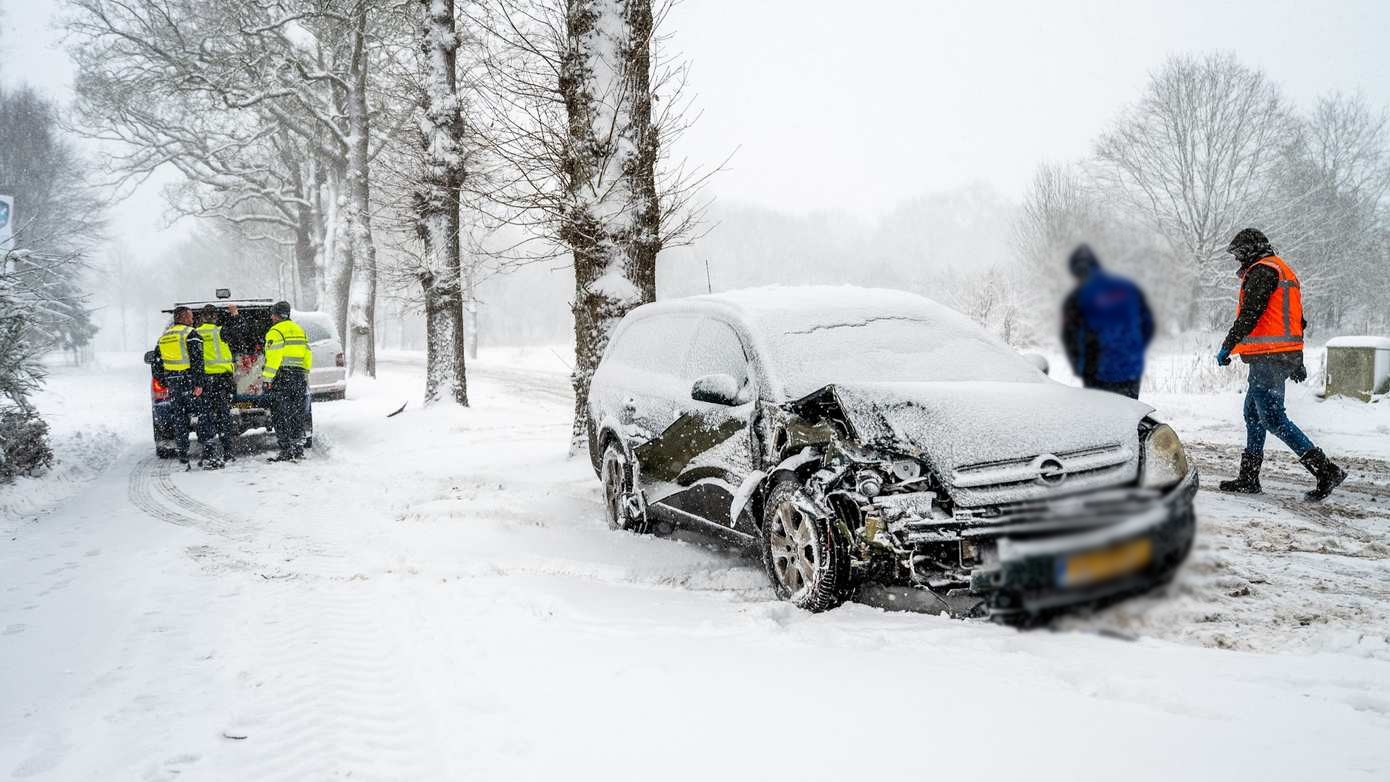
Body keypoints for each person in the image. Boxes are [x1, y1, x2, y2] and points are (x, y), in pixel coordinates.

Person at [1216, 228, 1346, 501]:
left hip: (1269, 359)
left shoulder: (1263, 271)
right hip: (1279, 356)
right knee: (1253, 413)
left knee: (1273, 418)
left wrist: (1227, 345)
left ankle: (1325, 470)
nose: (1238, 259)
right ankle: (1249, 477)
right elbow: (1296, 321)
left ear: (1250, 250)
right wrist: (1296, 359)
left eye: (1240, 253)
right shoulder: (1283, 269)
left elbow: (1251, 314)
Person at [1061, 244, 1155, 398]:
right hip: (1130, 369)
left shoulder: (1077, 297)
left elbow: (1070, 337)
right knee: (1128, 416)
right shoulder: (1129, 288)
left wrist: (1080, 367)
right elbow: (1148, 325)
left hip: (1097, 372)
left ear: (1074, 271)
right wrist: (1133, 349)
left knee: (1101, 418)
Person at [262, 301, 312, 462]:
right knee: (296, 413)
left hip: (282, 377)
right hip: (298, 376)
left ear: (277, 315)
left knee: (280, 414)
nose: (271, 317)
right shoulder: (299, 330)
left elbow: (274, 357)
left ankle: (285, 449)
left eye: (272, 314)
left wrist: (267, 378)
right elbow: (307, 354)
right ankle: (298, 447)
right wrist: (305, 374)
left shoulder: (275, 331)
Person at [154, 306, 205, 469]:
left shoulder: (164, 337)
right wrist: (199, 383)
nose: (192, 320)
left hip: (174, 384)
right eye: (190, 317)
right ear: (183, 317)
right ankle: (205, 452)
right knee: (200, 415)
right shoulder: (190, 334)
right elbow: (197, 361)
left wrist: (165, 380)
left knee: (180, 418)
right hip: (189, 381)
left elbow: (156, 364)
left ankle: (183, 454)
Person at [194, 305, 235, 469]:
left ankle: (209, 449)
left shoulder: (195, 334)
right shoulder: (221, 332)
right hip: (222, 380)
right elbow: (238, 332)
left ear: (201, 318)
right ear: (216, 318)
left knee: (205, 414)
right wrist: (234, 315)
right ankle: (227, 449)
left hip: (204, 381)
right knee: (223, 413)